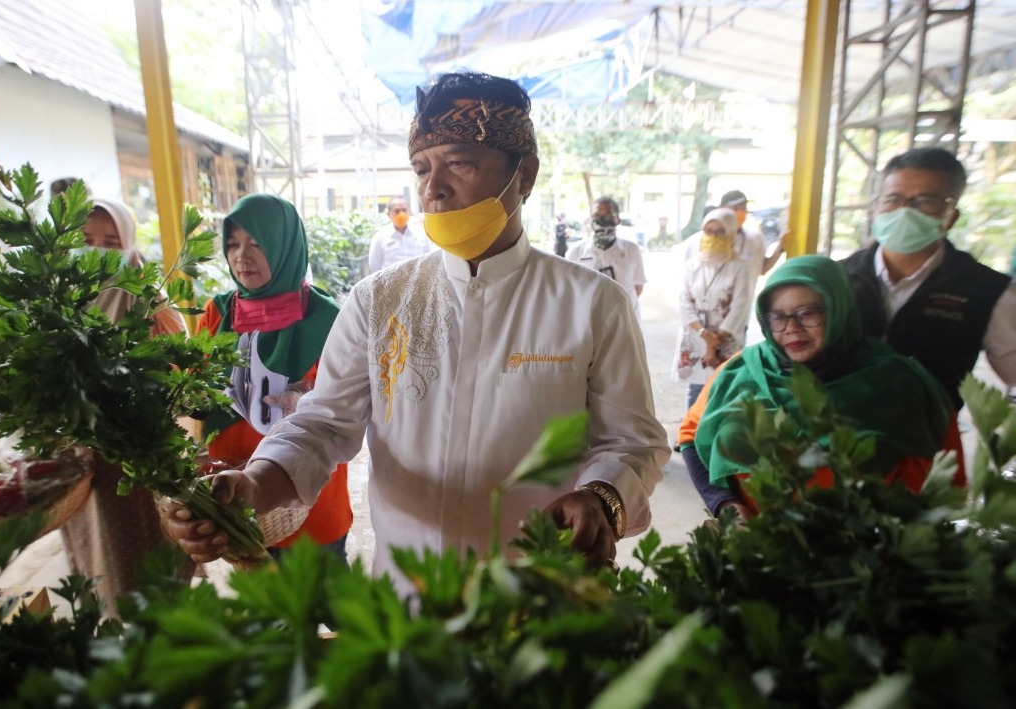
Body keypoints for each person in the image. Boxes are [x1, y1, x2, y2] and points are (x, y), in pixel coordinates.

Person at [162, 71, 669, 594]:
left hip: (539, 598)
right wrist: (253, 483)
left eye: (460, 163)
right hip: (408, 604)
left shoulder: (592, 304)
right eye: (423, 168)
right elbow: (322, 423)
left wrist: (602, 497)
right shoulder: (379, 300)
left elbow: (632, 441)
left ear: (525, 175)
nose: (433, 187)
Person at [678, 255, 962, 520]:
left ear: (840, 308)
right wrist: (725, 506)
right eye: (777, 316)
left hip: (865, 556)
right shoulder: (739, 371)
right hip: (751, 545)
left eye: (808, 313)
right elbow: (691, 436)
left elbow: (943, 480)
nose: (791, 328)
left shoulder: (900, 383)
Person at [197, 193, 353, 560]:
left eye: (257, 242)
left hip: (306, 502)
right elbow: (194, 385)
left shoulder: (327, 319)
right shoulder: (217, 313)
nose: (242, 256)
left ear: (284, 246)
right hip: (232, 494)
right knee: (267, 607)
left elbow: (341, 409)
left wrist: (304, 398)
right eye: (233, 244)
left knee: (327, 599)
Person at [60, 197, 190, 616]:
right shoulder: (62, 296)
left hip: (137, 454)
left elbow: (183, 359)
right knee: (96, 555)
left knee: (142, 554)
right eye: (86, 239)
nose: (96, 250)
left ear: (128, 243)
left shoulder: (147, 295)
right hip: (82, 454)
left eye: (111, 241)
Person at [842, 147, 1016, 410]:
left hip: (928, 441)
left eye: (925, 201)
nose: (904, 212)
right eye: (892, 199)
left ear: (951, 216)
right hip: (834, 436)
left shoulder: (988, 290)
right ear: (876, 208)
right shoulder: (836, 277)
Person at [672, 208, 754, 409]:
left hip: (725, 336)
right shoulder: (692, 265)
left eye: (720, 231)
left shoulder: (741, 266)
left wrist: (715, 342)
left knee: (723, 386)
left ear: (731, 234)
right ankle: (690, 437)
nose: (713, 236)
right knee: (696, 390)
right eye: (709, 231)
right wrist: (704, 335)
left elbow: (740, 305)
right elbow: (684, 302)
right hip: (696, 333)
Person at [565, 197, 647, 319]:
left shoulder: (631, 249)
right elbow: (570, 289)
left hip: (626, 319)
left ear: (617, 219)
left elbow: (638, 287)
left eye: (608, 215)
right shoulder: (576, 251)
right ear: (591, 220)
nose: (602, 221)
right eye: (597, 216)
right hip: (589, 320)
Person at [367, 196, 432, 273]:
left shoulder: (421, 234)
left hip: (417, 282)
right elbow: (374, 266)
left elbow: (428, 260)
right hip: (390, 283)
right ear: (389, 214)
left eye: (404, 210)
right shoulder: (380, 237)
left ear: (409, 212)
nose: (401, 214)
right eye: (397, 211)